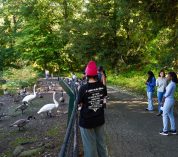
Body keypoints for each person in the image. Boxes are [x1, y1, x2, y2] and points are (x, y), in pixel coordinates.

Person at [77, 61, 108, 157]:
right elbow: (103, 98)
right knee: (101, 143)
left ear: (86, 75)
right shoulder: (102, 87)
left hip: (87, 121)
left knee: (89, 146)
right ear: (96, 74)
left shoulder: (83, 88)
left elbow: (80, 102)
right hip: (99, 119)